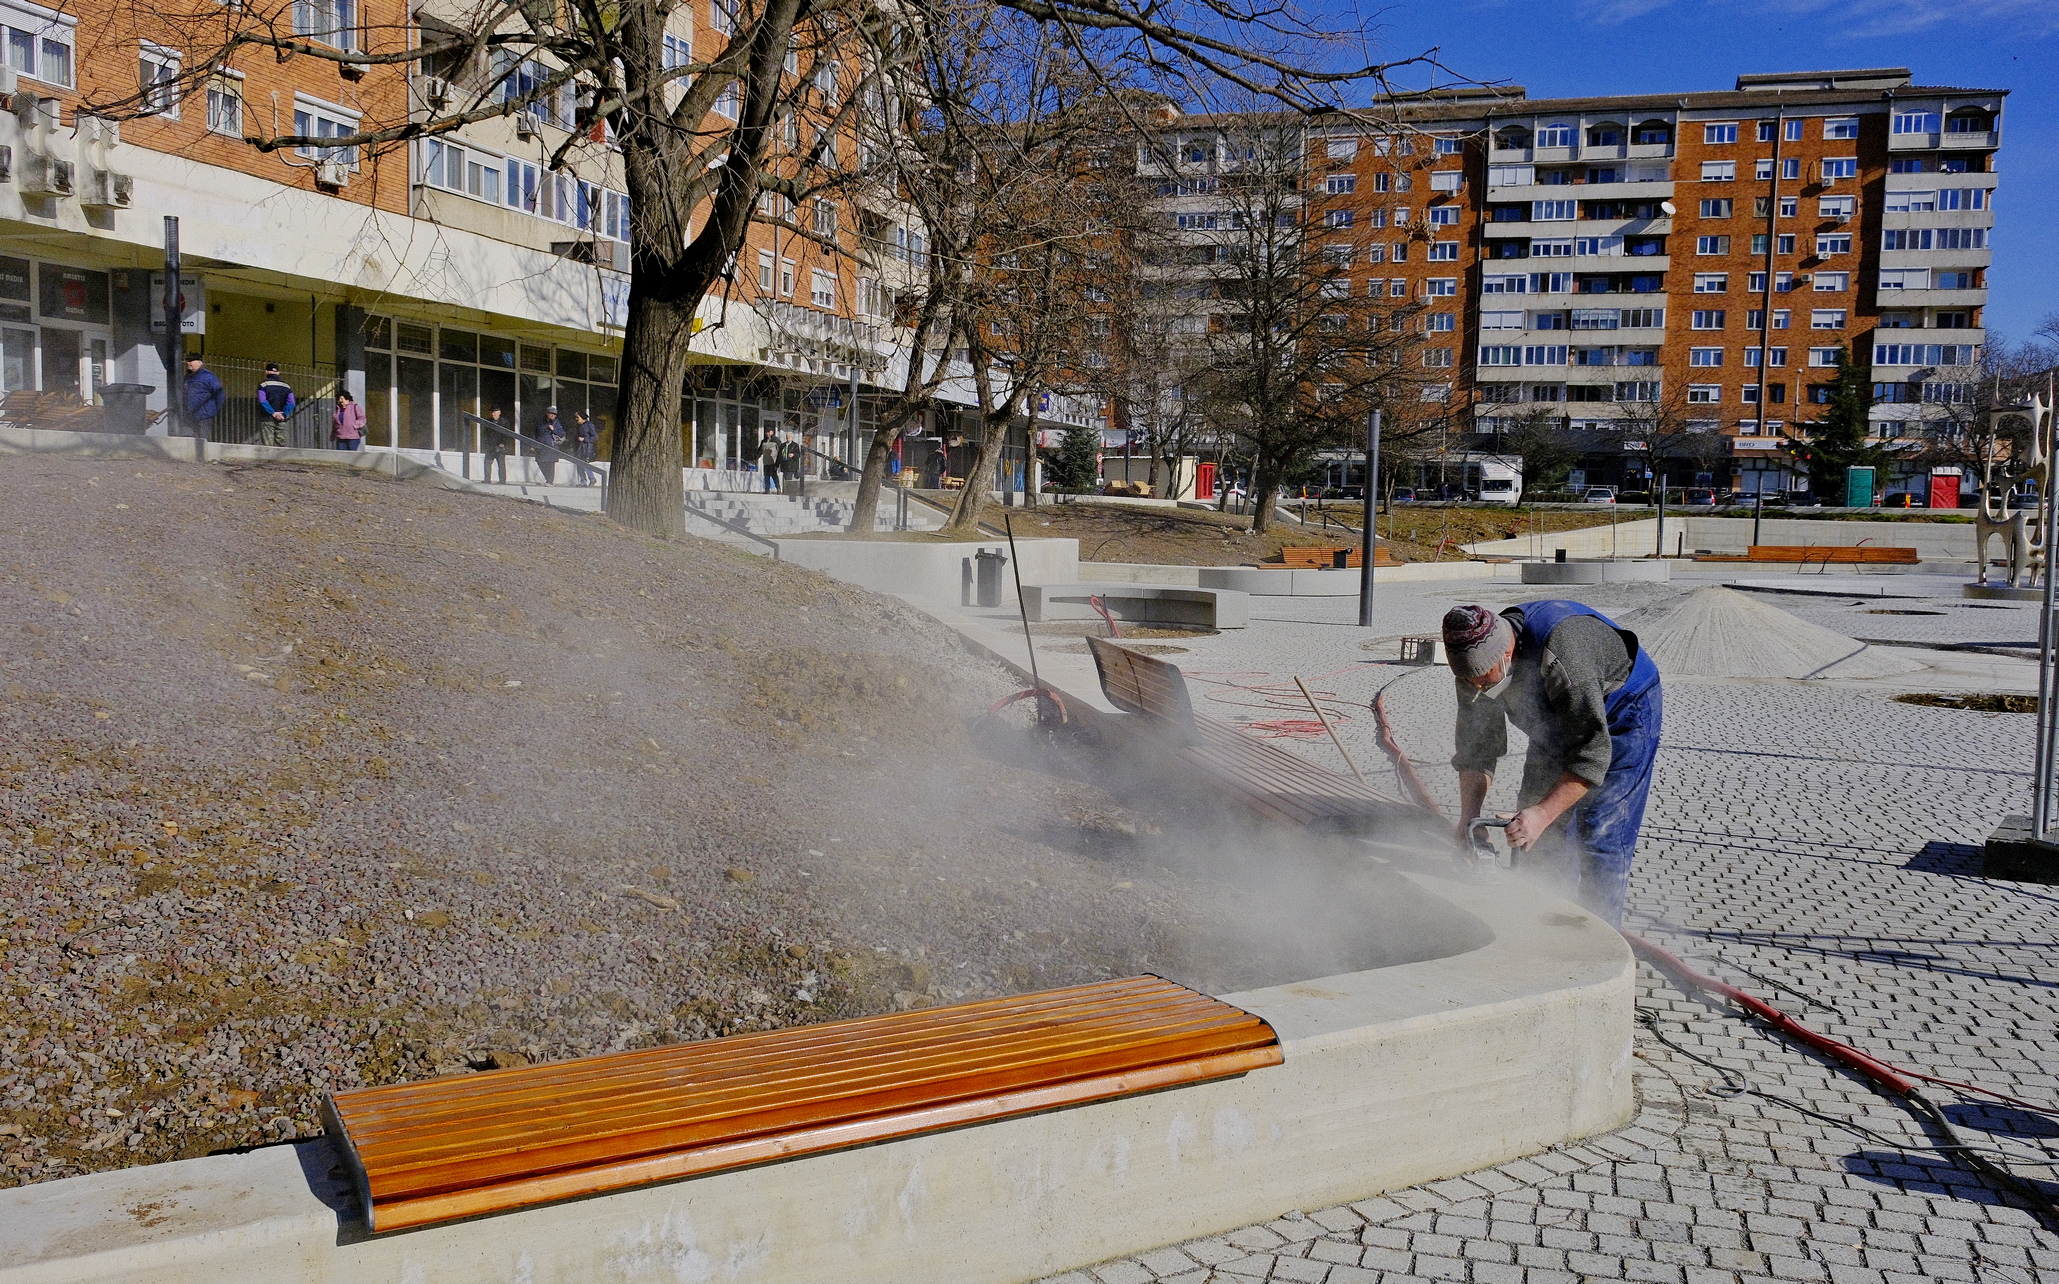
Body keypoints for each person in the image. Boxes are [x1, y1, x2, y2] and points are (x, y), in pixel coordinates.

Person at [1443, 599, 1663, 927]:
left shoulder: (1564, 652)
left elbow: (1591, 754)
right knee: (1537, 829)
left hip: (1620, 712)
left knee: (1600, 833)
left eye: (1485, 681)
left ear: (1505, 656)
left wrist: (1544, 813)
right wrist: (1469, 818)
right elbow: (1477, 751)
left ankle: (1597, 944)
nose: (1478, 688)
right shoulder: (1474, 667)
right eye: (1470, 682)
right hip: (1557, 719)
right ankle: (1541, 924)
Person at [182, 354, 224, 440]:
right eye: (187, 360)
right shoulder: (187, 377)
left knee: (202, 440)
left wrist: (212, 411)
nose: (188, 363)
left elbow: (220, 395)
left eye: (191, 361)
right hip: (189, 415)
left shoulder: (209, 377)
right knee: (188, 439)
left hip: (204, 416)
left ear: (199, 362)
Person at [255, 363, 295, 446]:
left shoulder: (263, 385)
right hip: (281, 418)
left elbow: (262, 401)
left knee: (268, 445)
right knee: (281, 445)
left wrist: (273, 413)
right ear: (278, 373)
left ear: (266, 372)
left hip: (267, 418)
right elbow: (291, 402)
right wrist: (283, 414)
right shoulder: (286, 386)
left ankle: (269, 459)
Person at [535, 406, 567, 484]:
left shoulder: (557, 423)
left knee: (551, 464)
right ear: (547, 413)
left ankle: (550, 481)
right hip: (541, 446)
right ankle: (548, 478)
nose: (553, 415)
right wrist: (534, 444)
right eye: (551, 413)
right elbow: (535, 432)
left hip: (552, 447)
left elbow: (562, 433)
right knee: (540, 462)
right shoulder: (540, 422)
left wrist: (553, 429)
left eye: (554, 414)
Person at [572, 410, 600, 486]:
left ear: (582, 417)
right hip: (579, 448)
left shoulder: (589, 425)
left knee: (585, 464)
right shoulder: (578, 426)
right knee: (579, 464)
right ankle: (583, 481)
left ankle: (592, 479)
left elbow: (595, 437)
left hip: (586, 448)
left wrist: (584, 439)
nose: (576, 419)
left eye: (578, 417)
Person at [484, 406, 511, 483]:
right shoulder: (488, 421)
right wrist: (486, 443)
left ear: (499, 412)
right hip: (490, 446)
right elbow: (485, 434)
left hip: (500, 446)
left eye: (494, 412)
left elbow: (507, 434)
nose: (493, 414)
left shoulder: (504, 422)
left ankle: (502, 481)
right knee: (487, 463)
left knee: (501, 464)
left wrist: (503, 443)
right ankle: (487, 480)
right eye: (492, 412)